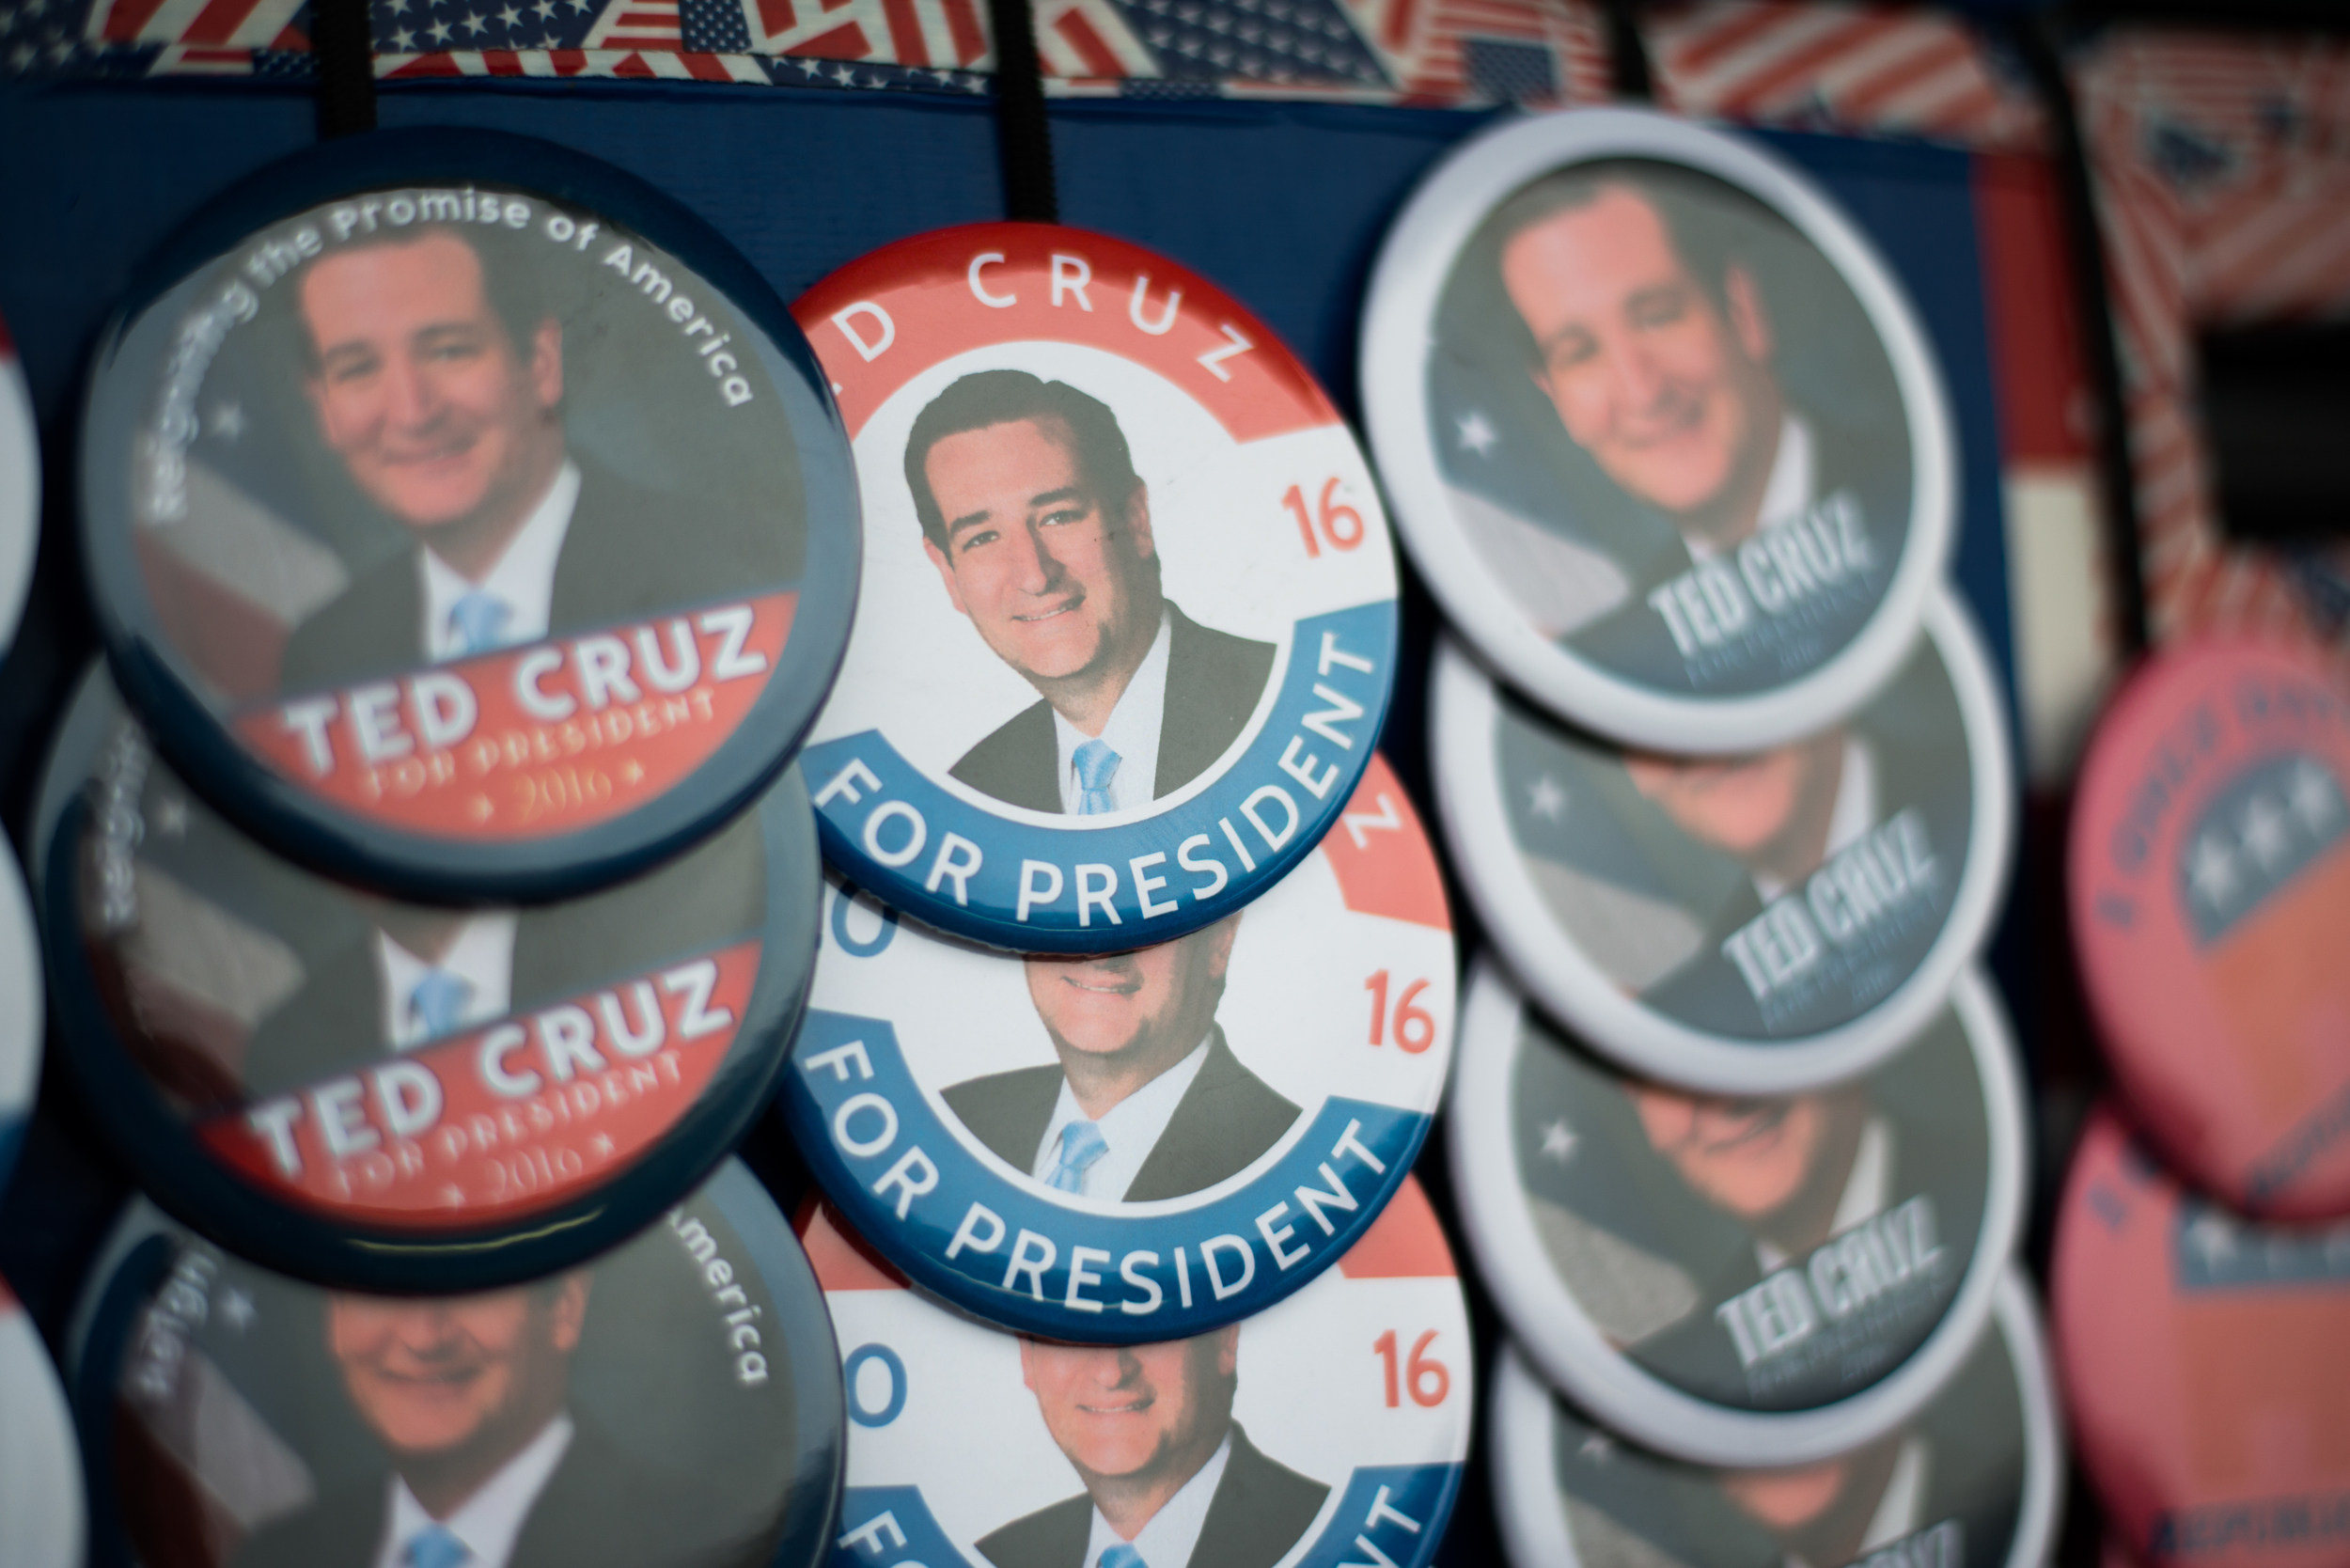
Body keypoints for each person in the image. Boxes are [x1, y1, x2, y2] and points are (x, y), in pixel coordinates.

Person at [274, 222, 790, 693]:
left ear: (541, 363)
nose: (412, 412)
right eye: (358, 369)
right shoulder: (327, 656)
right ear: (322, 407)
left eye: (449, 350)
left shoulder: (729, 572)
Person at [1463, 165, 1906, 679]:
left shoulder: (1915, 496)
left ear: (1742, 311)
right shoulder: (1626, 668)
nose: (1641, 391)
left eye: (1658, 316)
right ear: (1553, 395)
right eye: (1580, 354)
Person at [1513, 1008, 1984, 1411]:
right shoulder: (1697, 1371)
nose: (1718, 1092)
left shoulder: (1985, 1186)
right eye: (1652, 1061)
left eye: (1740, 1030)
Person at [1500, 649, 1966, 1040]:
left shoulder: (1966, 799)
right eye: (1648, 721)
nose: (1701, 741)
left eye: (1726, 688)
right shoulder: (1717, 1009)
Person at [904, 370, 1277, 815]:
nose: (1034, 575)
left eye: (1058, 516)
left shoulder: (1276, 705)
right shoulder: (973, 795)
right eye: (983, 538)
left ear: (1135, 520)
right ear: (948, 573)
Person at [235, 812, 765, 1099]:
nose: (382, 859)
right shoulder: (287, 1050)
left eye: (391, 825)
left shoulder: (633, 946)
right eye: (347, 837)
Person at [231, 1278, 740, 1568]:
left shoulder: (706, 1545)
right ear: (335, 1322)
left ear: (564, 1309)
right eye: (379, 1286)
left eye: (471, 1283)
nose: (423, 1337)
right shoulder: (276, 1555)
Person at [943, 917, 1299, 1202]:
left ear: (1220, 943)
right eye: (1069, 911)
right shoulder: (958, 1122)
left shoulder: (1283, 1159)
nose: (1100, 953)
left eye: (1148, 918)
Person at [978, 1329, 1328, 1568]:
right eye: (1071, 1331)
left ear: (1225, 1341)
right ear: (1028, 1358)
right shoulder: (999, 1556)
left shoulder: (1321, 1533)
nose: (1111, 1373)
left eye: (1149, 1326)